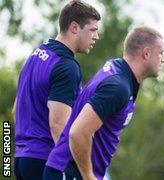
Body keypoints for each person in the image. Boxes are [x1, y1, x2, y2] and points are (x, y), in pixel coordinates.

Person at [43, 26, 164, 180]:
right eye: (160, 53)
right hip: (68, 172)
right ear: (146, 53)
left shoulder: (120, 73)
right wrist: (88, 176)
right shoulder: (118, 86)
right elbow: (78, 132)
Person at [13, 1, 100, 179]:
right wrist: (80, 169)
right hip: (44, 161)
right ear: (74, 27)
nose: (96, 36)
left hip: (21, 160)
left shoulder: (35, 55)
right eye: (92, 30)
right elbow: (58, 125)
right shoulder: (66, 66)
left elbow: (16, 111)